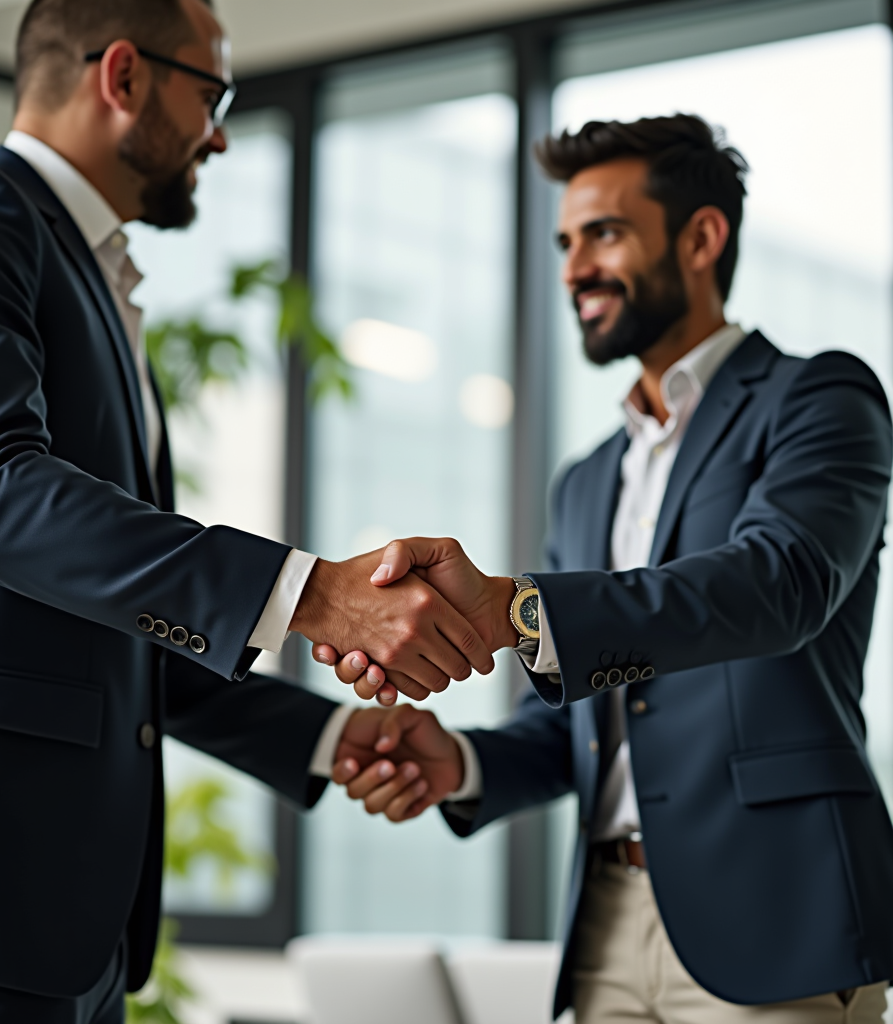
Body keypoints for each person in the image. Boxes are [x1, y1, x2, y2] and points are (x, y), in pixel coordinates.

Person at [0, 1, 496, 1020]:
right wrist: (313, 595)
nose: (221, 131)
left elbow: (112, 624)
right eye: (211, 92)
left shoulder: (87, 271)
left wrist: (320, 737)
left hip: (70, 922)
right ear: (122, 76)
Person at [315, 115, 893, 1022]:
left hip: (774, 915)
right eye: (564, 241)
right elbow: (573, 722)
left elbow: (777, 585)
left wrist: (516, 609)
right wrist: (459, 762)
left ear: (702, 237)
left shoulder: (820, 398)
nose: (574, 267)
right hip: (605, 927)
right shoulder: (587, 481)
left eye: (605, 234)